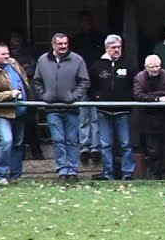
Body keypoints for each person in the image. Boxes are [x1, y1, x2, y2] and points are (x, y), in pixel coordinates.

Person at [33, 32, 90, 182]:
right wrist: (45, 96)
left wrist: (73, 96)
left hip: (71, 107)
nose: (63, 46)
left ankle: (72, 170)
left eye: (65, 43)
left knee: (71, 140)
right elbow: (37, 81)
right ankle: (62, 169)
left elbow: (84, 81)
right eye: (60, 44)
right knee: (58, 140)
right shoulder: (43, 60)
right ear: (53, 45)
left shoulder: (77, 60)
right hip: (52, 108)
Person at [88, 34, 137, 181]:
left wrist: (129, 99)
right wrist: (97, 98)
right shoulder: (97, 66)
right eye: (113, 47)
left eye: (119, 47)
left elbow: (135, 84)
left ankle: (127, 173)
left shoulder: (128, 64)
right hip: (104, 111)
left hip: (123, 110)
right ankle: (108, 173)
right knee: (106, 144)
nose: (116, 50)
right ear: (107, 48)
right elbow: (90, 86)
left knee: (126, 143)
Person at [0, 43, 30, 184]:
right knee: (7, 140)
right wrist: (10, 94)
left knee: (18, 143)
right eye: (3, 54)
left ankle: (16, 175)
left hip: (20, 110)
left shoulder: (13, 63)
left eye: (7, 53)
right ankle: (2, 174)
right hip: (2, 113)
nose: (7, 56)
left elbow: (24, 79)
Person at [70, 11, 105, 165]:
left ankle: (96, 146)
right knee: (84, 117)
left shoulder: (99, 39)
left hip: (97, 82)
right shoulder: (76, 41)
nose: (87, 23)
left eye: (88, 21)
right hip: (81, 83)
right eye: (84, 21)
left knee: (96, 117)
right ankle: (84, 146)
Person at [133, 54, 165, 180]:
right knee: (153, 150)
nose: (156, 69)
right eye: (152, 67)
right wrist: (156, 98)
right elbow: (138, 95)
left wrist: (149, 96)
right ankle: (154, 175)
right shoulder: (140, 77)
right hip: (148, 118)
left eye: (157, 66)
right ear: (146, 67)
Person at [9, 31, 45, 161]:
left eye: (17, 37)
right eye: (13, 38)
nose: (15, 40)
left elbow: (32, 71)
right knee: (16, 125)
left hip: (28, 94)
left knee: (31, 123)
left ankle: (37, 151)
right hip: (12, 96)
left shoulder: (28, 55)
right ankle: (20, 153)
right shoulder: (6, 56)